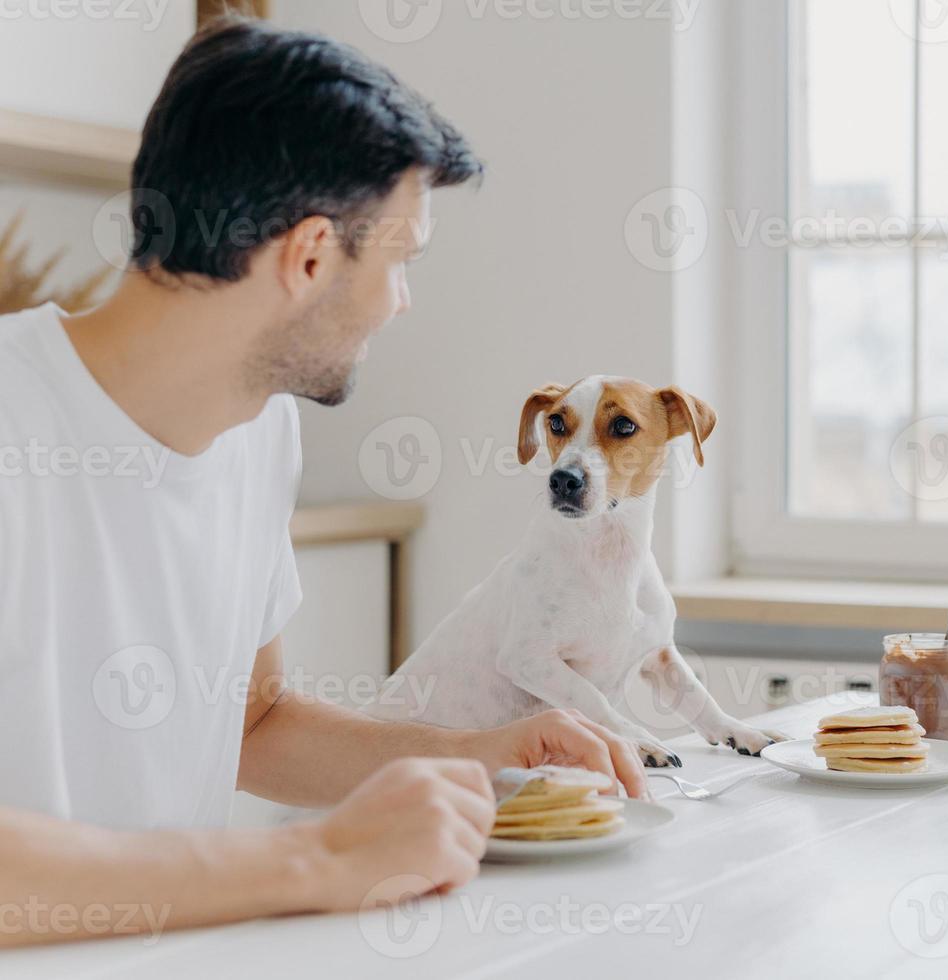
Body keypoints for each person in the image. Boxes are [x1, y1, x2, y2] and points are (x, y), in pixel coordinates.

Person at [0, 17, 647, 947]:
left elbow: (252, 723)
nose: (402, 300)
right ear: (309, 257)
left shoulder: (261, 429)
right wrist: (319, 860)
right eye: (401, 262)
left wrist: (478, 757)